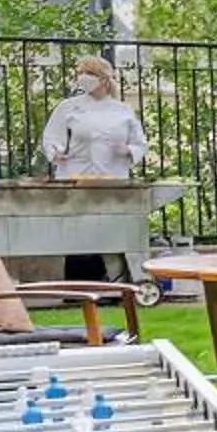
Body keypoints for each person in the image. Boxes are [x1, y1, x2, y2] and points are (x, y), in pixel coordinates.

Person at [40, 54, 150, 283]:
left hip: (113, 179)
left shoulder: (122, 110)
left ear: (103, 78)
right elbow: (51, 137)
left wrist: (127, 150)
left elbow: (140, 143)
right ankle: (80, 283)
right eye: (80, 73)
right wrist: (57, 152)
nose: (82, 78)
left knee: (110, 229)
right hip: (77, 177)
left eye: (88, 73)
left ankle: (115, 280)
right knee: (78, 230)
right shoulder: (69, 107)